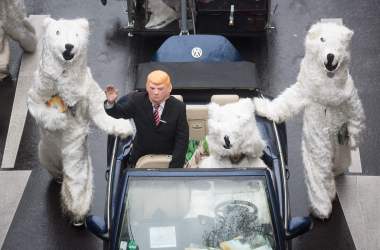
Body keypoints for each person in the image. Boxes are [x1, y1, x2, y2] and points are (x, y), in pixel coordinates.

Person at [105, 70, 189, 168]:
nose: (156, 92)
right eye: (152, 88)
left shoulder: (178, 107)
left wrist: (174, 169)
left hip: (167, 160)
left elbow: (182, 140)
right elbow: (118, 112)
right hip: (140, 160)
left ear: (169, 89)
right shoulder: (137, 101)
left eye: (160, 89)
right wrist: (111, 103)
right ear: (147, 87)